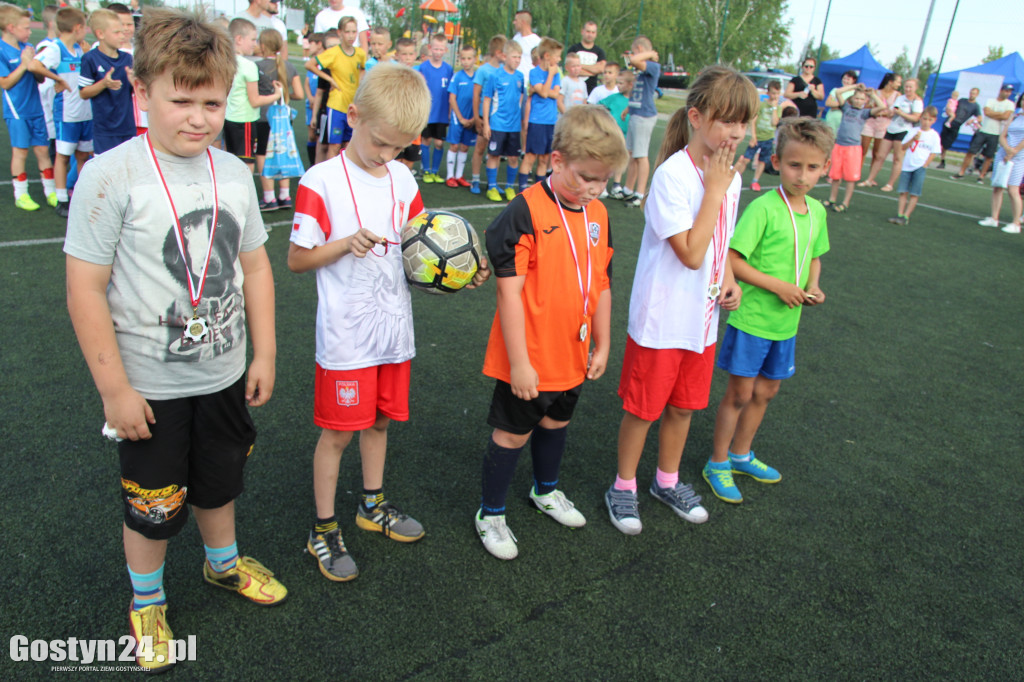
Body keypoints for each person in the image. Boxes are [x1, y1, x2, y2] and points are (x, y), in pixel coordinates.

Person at [64, 10, 285, 673]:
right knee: (155, 504)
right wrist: (114, 390)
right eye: (180, 99)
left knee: (219, 485)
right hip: (148, 390)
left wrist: (266, 351)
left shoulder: (235, 173)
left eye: (211, 102)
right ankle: (147, 598)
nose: (198, 116)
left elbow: (254, 269)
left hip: (221, 375)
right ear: (142, 94)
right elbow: (84, 291)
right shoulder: (109, 175)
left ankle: (222, 565)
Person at [288, 63, 490, 580]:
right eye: (379, 143)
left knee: (379, 422)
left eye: (398, 148)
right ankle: (323, 528)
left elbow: (421, 243)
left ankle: (371, 505)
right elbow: (296, 259)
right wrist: (343, 244)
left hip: (393, 334)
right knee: (337, 434)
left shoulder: (402, 177)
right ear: (352, 116)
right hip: (346, 338)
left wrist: (457, 270)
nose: (386, 155)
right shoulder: (321, 180)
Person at [605, 66, 756, 534]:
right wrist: (714, 189)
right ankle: (623, 486)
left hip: (702, 318)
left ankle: (665, 481)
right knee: (644, 408)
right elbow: (690, 253)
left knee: (685, 406)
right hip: (662, 317)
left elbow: (718, 241)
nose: (736, 132)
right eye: (726, 120)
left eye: (743, 122)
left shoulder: (727, 177)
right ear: (696, 116)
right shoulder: (675, 176)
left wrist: (729, 275)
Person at [476, 104, 628, 559]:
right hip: (530, 357)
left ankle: (545, 491)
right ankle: (491, 513)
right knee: (511, 434)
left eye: (603, 180)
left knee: (557, 422)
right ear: (556, 160)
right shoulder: (522, 211)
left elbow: (601, 282)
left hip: (573, 352)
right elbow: (508, 294)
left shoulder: (598, 212)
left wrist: (603, 341)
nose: (594, 188)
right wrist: (520, 363)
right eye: (585, 177)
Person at [707, 118, 832, 504]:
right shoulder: (764, 207)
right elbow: (734, 259)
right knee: (740, 393)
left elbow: (815, 256)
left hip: (786, 324)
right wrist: (778, 286)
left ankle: (742, 454)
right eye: (795, 165)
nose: (803, 175)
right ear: (777, 161)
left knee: (767, 391)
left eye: (813, 167)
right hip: (753, 319)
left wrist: (813, 287)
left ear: (825, 167)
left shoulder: (817, 211)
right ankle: (717, 461)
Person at [33, 6, 92, 218]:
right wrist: (57, 78)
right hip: (67, 114)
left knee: (83, 156)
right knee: (63, 156)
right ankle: (62, 199)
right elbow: (34, 65)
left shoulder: (80, 49)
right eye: (85, 27)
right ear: (77, 28)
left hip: (86, 112)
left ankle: (81, 194)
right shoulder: (57, 48)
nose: (86, 31)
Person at [0, 3, 57, 210]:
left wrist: (35, 67)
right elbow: (5, 82)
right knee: (20, 152)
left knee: (42, 150)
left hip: (35, 109)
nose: (30, 31)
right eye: (26, 27)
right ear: (11, 28)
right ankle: (21, 194)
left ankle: (50, 191)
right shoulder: (1, 50)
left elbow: (40, 80)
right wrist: (24, 65)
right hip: (17, 112)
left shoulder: (27, 48)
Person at [224, 17, 282, 172]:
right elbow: (255, 101)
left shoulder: (224, 61)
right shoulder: (248, 66)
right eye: (253, 39)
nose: (255, 44)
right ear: (239, 39)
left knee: (231, 160)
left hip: (228, 118)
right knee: (247, 164)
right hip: (245, 121)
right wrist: (276, 95)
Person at [254, 27, 302, 210]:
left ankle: (269, 197)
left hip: (264, 116)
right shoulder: (289, 66)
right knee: (283, 150)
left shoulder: (257, 66)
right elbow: (298, 93)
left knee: (262, 154)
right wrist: (283, 94)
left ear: (263, 45)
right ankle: (285, 195)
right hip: (284, 116)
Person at [305, 15, 366, 160]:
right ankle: (331, 177)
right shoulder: (333, 53)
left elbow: (362, 69)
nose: (351, 36)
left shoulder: (360, 53)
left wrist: (360, 85)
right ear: (340, 33)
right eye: (347, 32)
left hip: (352, 105)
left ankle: (345, 175)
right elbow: (309, 64)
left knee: (348, 145)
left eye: (354, 32)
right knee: (334, 146)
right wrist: (330, 79)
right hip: (336, 105)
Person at [79, 9, 135, 156]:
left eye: (123, 32)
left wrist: (134, 82)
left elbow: (137, 90)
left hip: (127, 127)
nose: (122, 36)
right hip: (104, 130)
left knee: (127, 169)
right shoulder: (90, 59)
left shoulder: (127, 59)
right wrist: (104, 84)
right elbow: (83, 93)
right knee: (105, 171)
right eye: (117, 32)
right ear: (100, 34)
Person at [825, 83, 888, 212]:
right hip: (839, 146)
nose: (858, 101)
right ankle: (832, 199)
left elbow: (882, 106)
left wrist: (872, 95)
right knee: (835, 176)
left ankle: (845, 203)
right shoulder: (846, 108)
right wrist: (854, 87)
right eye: (856, 98)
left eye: (861, 99)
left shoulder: (864, 113)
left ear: (865, 101)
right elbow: (838, 92)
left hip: (853, 149)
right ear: (852, 98)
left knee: (850, 178)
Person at [481, 39, 525, 202]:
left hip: (514, 126)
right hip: (498, 124)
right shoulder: (495, 76)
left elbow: (520, 97)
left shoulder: (520, 76)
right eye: (514, 57)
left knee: (513, 158)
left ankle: (508, 187)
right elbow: (487, 99)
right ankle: (492, 187)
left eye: (519, 57)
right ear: (505, 57)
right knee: (494, 155)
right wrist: (486, 123)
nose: (517, 60)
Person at [620, 37, 660, 207]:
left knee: (641, 155)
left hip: (644, 116)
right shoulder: (641, 70)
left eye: (635, 50)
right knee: (632, 154)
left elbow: (634, 60)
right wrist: (628, 109)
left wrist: (649, 53)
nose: (632, 55)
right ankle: (628, 189)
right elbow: (639, 92)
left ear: (640, 49)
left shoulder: (652, 66)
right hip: (636, 113)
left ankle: (640, 193)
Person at [519, 37, 562, 192]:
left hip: (550, 121)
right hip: (537, 120)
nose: (559, 59)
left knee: (544, 158)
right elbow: (544, 94)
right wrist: (550, 75)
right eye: (557, 56)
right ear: (547, 56)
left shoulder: (557, 73)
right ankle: (522, 191)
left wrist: (546, 87)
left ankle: (539, 192)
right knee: (530, 156)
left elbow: (555, 94)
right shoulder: (535, 72)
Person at [866, 77, 923, 192]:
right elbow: (892, 111)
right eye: (906, 86)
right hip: (891, 129)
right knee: (880, 156)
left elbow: (916, 117)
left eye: (910, 87)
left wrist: (901, 113)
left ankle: (890, 184)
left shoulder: (917, 101)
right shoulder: (900, 98)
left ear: (915, 88)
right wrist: (889, 112)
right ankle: (869, 180)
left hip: (904, 131)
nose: (907, 89)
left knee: (897, 158)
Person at [886, 106, 941, 225]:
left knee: (914, 193)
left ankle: (906, 216)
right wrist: (913, 140)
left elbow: (934, 152)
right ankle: (900, 214)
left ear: (934, 121)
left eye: (929, 120)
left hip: (920, 166)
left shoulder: (934, 135)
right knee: (903, 191)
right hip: (907, 165)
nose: (926, 122)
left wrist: (925, 164)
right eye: (924, 119)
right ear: (920, 118)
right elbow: (903, 147)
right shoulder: (913, 131)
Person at [978, 93, 1024, 233]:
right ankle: (994, 218)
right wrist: (1006, 148)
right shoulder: (1015, 116)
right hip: (1004, 155)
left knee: (1013, 189)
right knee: (997, 187)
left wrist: (1013, 151)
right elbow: (1003, 135)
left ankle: (1016, 223)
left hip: (1019, 157)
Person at [954, 83, 1015, 183]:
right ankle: (961, 172)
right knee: (971, 152)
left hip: (996, 133)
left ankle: (981, 176)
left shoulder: (1010, 104)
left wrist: (994, 114)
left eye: (1009, 91)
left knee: (989, 156)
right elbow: (987, 113)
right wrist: (999, 114)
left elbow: (1006, 116)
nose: (1008, 93)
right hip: (983, 130)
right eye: (1006, 91)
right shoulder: (990, 101)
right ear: (1001, 90)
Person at [469, 34, 505, 194]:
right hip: (484, 116)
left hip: (499, 119)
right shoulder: (483, 70)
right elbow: (476, 94)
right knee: (480, 147)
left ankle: (493, 183)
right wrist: (477, 117)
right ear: (498, 53)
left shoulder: (505, 70)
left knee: (495, 151)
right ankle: (475, 180)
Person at [417, 33, 453, 183]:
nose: (438, 52)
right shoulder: (423, 67)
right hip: (427, 112)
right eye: (435, 49)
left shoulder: (448, 69)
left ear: (445, 50)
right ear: (430, 48)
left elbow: (451, 92)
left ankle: (435, 171)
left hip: (442, 113)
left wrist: (450, 112)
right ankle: (426, 170)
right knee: (426, 140)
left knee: (439, 143)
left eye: (441, 49)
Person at [597, 69, 633, 198]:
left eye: (621, 83)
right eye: (618, 83)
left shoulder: (634, 101)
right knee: (607, 159)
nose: (618, 85)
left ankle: (616, 185)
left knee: (621, 160)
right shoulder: (613, 98)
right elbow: (600, 106)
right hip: (612, 135)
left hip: (626, 135)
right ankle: (602, 185)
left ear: (630, 85)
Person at [444, 44, 477, 187]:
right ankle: (450, 176)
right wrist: (461, 118)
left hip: (472, 117)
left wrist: (474, 119)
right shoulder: (457, 77)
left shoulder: (478, 77)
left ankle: (459, 175)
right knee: (454, 146)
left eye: (469, 58)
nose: (466, 61)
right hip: (459, 117)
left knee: (465, 147)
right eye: (463, 58)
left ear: (474, 59)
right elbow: (452, 98)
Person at [745, 80, 786, 192]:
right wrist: (753, 137)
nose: (775, 96)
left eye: (777, 93)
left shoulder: (778, 108)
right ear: (768, 93)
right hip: (757, 137)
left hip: (768, 139)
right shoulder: (761, 105)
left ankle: (755, 181)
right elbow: (753, 121)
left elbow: (774, 123)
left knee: (762, 161)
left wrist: (773, 108)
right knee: (745, 159)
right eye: (773, 93)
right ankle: (734, 177)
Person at [858, 71, 901, 177]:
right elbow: (867, 107)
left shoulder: (897, 96)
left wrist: (885, 113)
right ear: (890, 82)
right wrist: (872, 106)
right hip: (870, 122)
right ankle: (856, 173)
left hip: (884, 125)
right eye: (898, 82)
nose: (899, 85)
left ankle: (871, 177)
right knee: (863, 149)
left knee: (877, 153)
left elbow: (895, 111)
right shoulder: (876, 92)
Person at [939, 87, 980, 169]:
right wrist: (948, 111)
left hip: (957, 125)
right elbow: (951, 105)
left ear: (977, 95)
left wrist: (972, 120)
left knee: (947, 144)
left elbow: (980, 117)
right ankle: (942, 161)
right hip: (949, 122)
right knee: (941, 142)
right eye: (971, 93)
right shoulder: (962, 100)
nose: (972, 95)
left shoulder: (975, 106)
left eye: (974, 93)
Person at [567, 20, 606, 93]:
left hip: (591, 91)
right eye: (588, 31)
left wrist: (580, 66)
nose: (590, 35)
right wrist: (594, 71)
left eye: (593, 32)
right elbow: (570, 69)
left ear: (596, 34)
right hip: (573, 90)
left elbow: (601, 69)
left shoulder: (600, 52)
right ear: (582, 31)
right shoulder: (574, 49)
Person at [511, 9, 540, 82]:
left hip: (528, 82)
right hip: (515, 81)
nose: (514, 22)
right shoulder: (515, 38)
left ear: (523, 22)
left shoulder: (536, 41)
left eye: (516, 20)